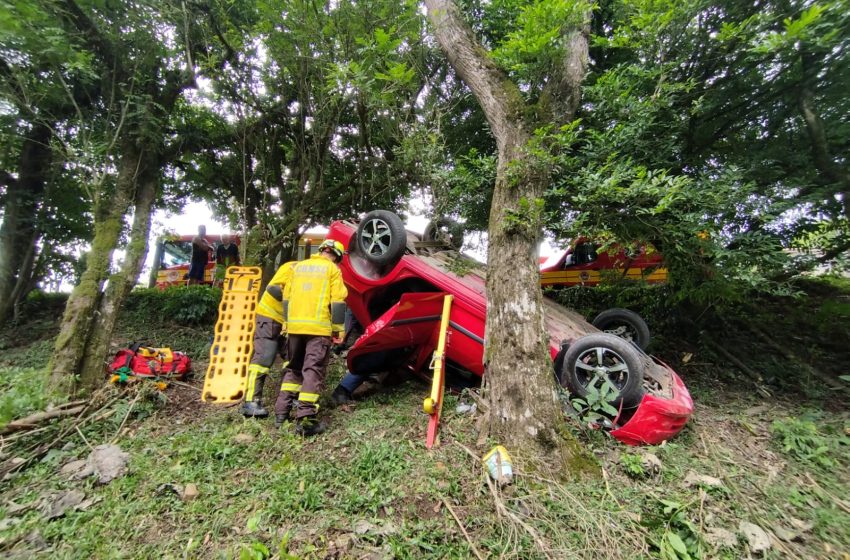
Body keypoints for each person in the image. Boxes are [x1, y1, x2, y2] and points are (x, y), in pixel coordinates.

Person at [274, 239, 348, 435]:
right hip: (318, 330)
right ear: (337, 256)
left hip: (295, 328)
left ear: (321, 250)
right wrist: (338, 329)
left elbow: (287, 298)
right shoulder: (332, 270)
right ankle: (306, 420)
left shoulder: (299, 267)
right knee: (313, 370)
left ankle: (281, 414)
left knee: (293, 368)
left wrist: (287, 325)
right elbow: (338, 302)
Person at [240, 260, 297, 417]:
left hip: (289, 323)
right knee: (264, 357)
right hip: (270, 316)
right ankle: (251, 401)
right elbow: (273, 289)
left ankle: (289, 398)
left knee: (292, 359)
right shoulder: (292, 267)